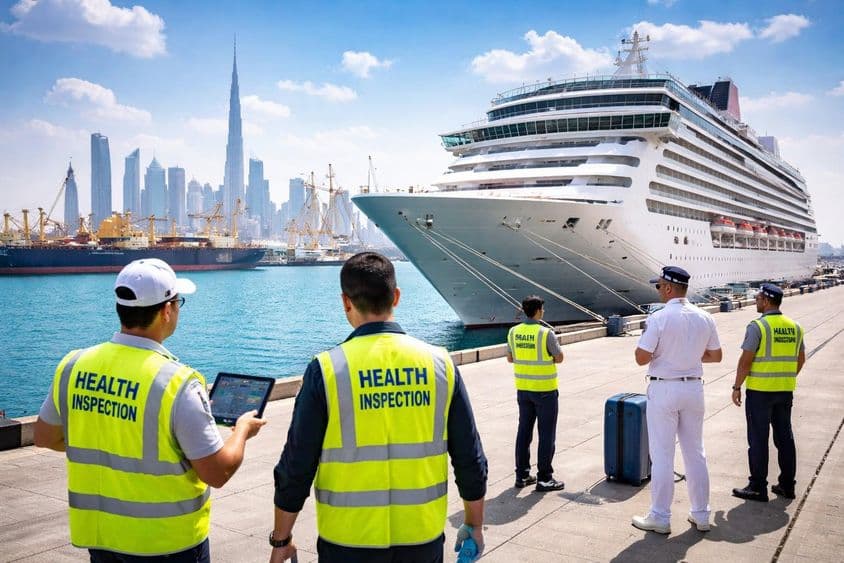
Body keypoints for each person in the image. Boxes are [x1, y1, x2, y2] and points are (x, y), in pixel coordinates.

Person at [33, 258, 266, 562]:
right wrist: (242, 431)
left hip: (101, 539)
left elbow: (44, 437)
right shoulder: (178, 384)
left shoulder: (73, 365)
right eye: (179, 302)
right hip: (166, 545)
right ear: (167, 310)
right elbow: (217, 472)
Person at [269, 252, 487, 563]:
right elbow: (470, 458)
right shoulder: (440, 365)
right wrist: (474, 523)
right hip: (421, 541)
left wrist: (281, 540)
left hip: (346, 544)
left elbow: (296, 467)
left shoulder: (327, 370)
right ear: (396, 297)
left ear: (346, 302)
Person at [631, 266, 723, 535]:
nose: (657, 290)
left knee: (662, 456)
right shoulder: (705, 317)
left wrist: (666, 357)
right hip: (693, 389)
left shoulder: (659, 318)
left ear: (669, 288)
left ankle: (660, 516)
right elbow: (716, 356)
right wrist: (689, 357)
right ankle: (701, 514)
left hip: (664, 390)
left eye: (658, 286)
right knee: (695, 453)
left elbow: (640, 357)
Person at [731, 283, 805, 502]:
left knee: (758, 440)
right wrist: (785, 377)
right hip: (785, 392)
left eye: (758, 297)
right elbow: (800, 359)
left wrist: (736, 387)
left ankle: (757, 487)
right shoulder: (795, 326)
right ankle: (787, 486)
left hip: (760, 393)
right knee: (785, 438)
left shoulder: (758, 327)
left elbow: (746, 361)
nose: (756, 300)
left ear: (766, 300)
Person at [506, 295, 566, 492]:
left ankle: (522, 475)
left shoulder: (513, 332)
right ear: (539, 311)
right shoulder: (545, 333)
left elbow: (509, 358)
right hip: (545, 391)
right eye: (543, 309)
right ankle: (544, 478)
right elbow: (559, 358)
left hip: (523, 389)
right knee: (546, 435)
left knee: (524, 432)